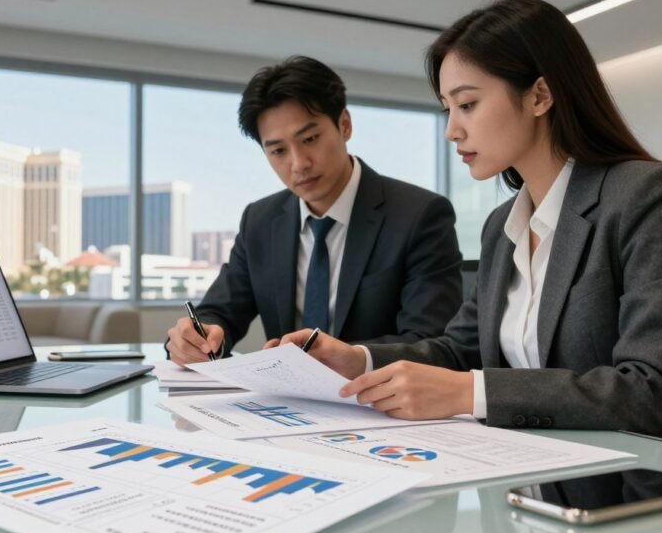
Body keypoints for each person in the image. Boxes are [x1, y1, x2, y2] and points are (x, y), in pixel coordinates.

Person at [277, 0, 662, 449]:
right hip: (534, 475)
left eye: (468, 104)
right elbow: (460, 350)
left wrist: (470, 392)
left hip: (646, 488)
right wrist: (358, 360)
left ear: (539, 95)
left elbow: (657, 391)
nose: (452, 130)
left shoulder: (648, 197)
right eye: (447, 109)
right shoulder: (503, 226)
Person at [166, 56, 462, 365]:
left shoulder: (419, 215)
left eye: (310, 139)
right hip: (287, 403)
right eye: (278, 151)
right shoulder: (260, 220)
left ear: (344, 125)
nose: (298, 163)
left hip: (378, 402)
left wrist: (354, 359)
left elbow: (432, 342)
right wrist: (197, 336)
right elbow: (220, 311)